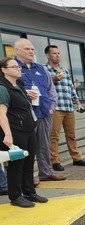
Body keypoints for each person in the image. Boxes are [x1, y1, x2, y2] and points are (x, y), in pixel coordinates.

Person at [14, 38, 64, 182]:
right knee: (25, 147)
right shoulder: (12, 68)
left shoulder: (41, 69)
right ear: (17, 51)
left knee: (43, 145)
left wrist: (51, 108)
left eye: (32, 49)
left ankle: (46, 173)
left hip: (44, 113)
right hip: (23, 116)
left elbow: (51, 90)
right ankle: (26, 178)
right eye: (27, 49)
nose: (31, 51)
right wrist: (24, 92)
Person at [0, 57, 48, 207]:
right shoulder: (2, 88)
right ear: (4, 70)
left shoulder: (19, 85)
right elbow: (1, 113)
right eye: (15, 67)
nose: (19, 69)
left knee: (28, 163)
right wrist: (7, 135)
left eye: (19, 67)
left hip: (28, 129)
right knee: (17, 164)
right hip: (16, 131)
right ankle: (15, 196)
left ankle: (30, 192)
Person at [44, 44, 85, 171]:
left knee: (71, 134)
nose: (57, 55)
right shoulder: (44, 70)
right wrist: (53, 79)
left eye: (58, 53)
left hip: (68, 107)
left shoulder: (65, 70)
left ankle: (76, 158)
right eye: (54, 53)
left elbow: (71, 88)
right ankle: (55, 161)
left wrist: (78, 103)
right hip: (55, 108)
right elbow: (42, 86)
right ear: (48, 55)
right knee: (54, 136)